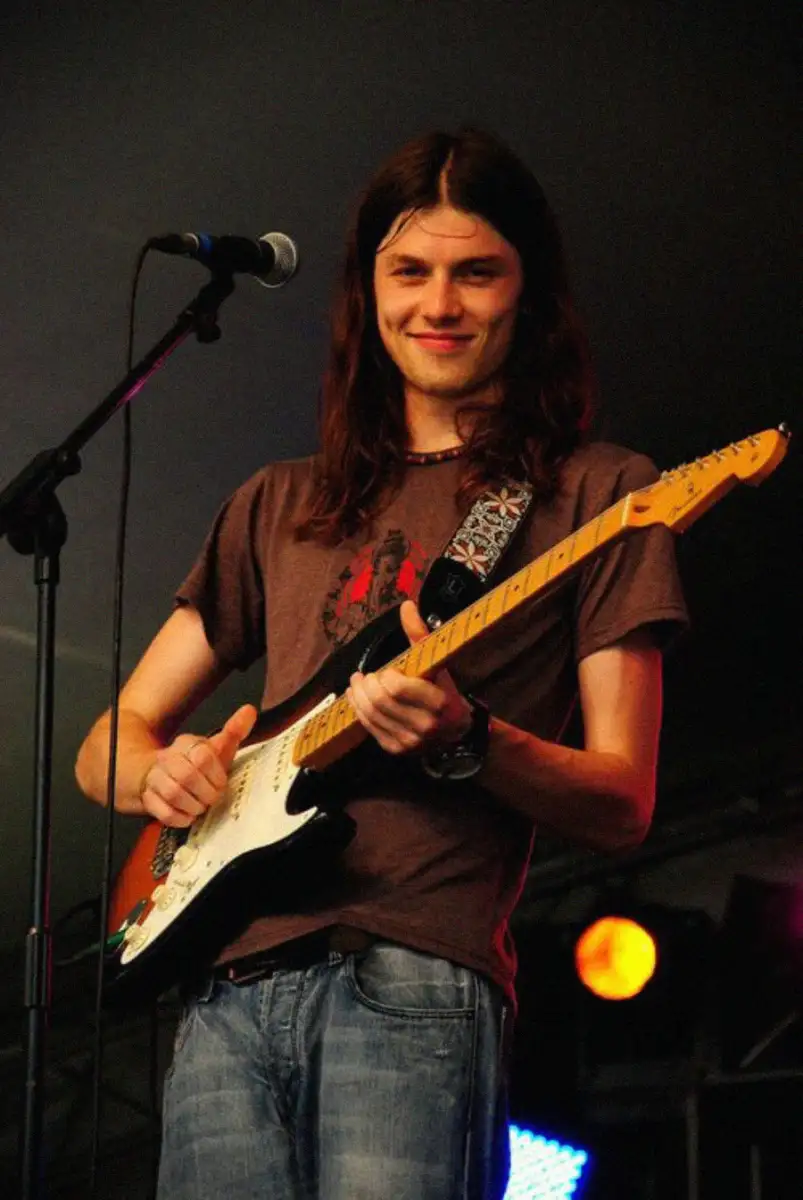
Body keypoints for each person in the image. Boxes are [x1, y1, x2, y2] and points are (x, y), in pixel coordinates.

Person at [75, 128, 688, 1200]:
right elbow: (105, 745)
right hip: (222, 995)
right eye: (409, 272)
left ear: (528, 293)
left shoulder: (598, 495)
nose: (438, 304)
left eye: (475, 272)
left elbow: (622, 802)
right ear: (368, 291)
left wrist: (468, 739)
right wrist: (159, 775)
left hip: (410, 980)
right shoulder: (279, 501)